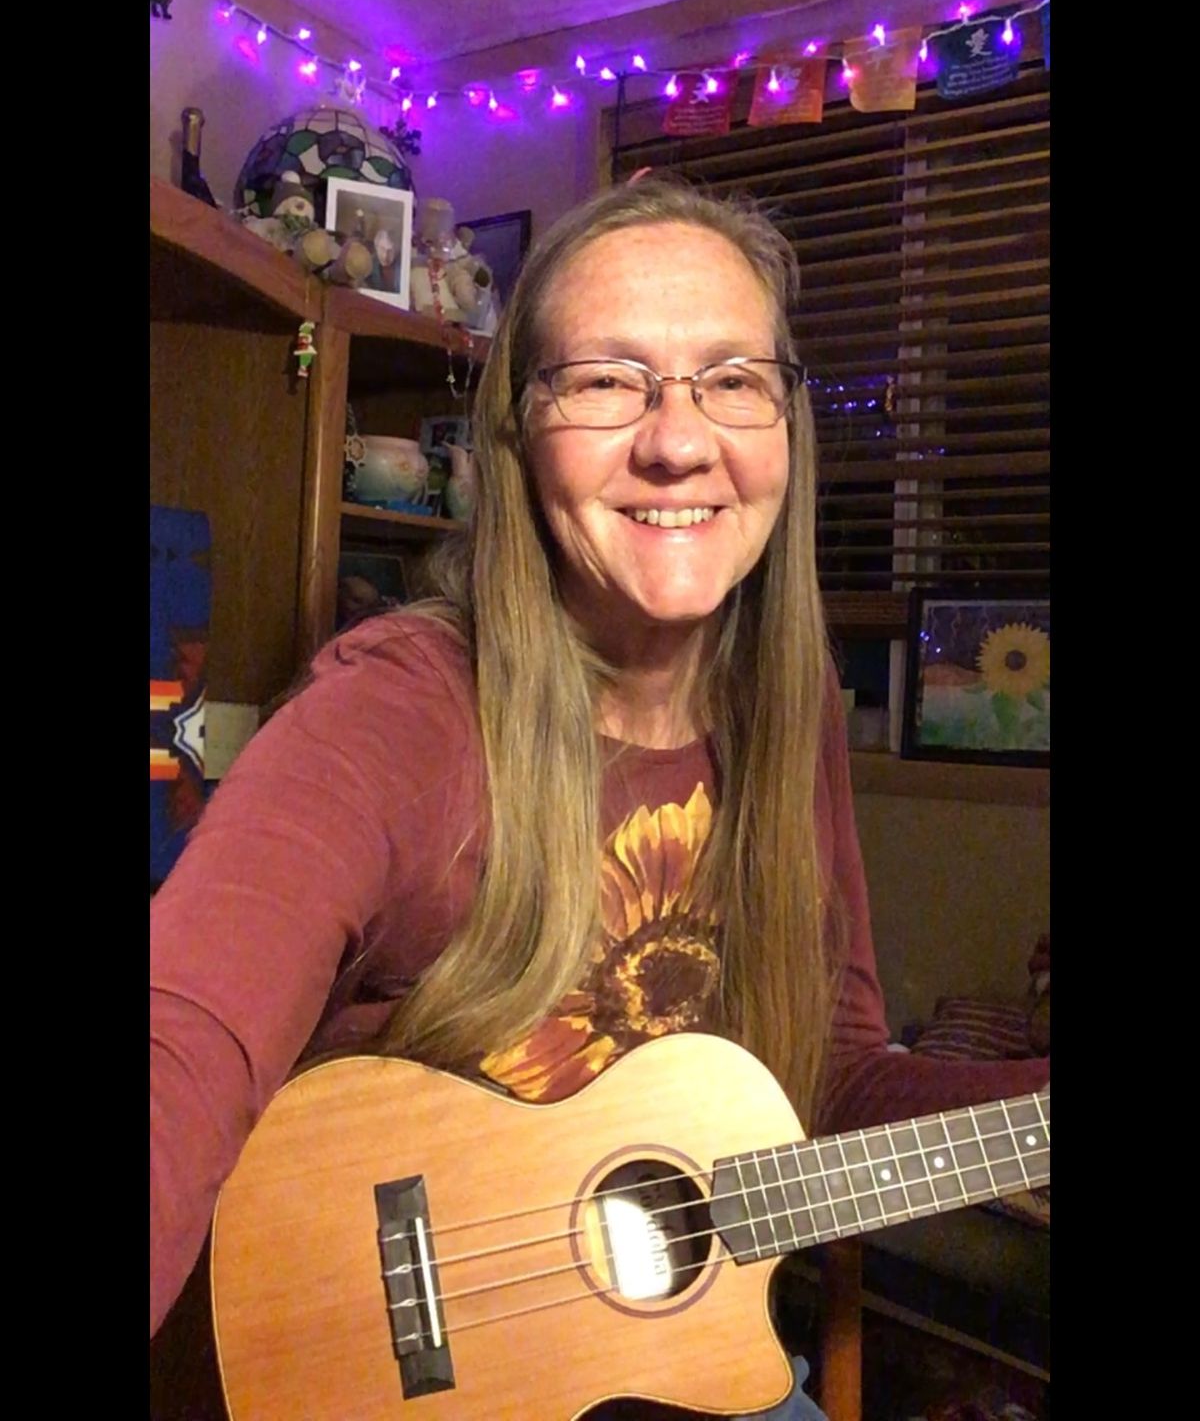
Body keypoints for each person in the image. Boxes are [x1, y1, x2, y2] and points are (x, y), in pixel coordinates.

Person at [150, 177, 1049, 1420]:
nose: (678, 440)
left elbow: (830, 1084)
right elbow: (183, 1038)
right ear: (519, 436)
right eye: (608, 379)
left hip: (669, 1362)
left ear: (788, 428)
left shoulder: (791, 715)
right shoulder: (399, 709)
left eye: (732, 378)